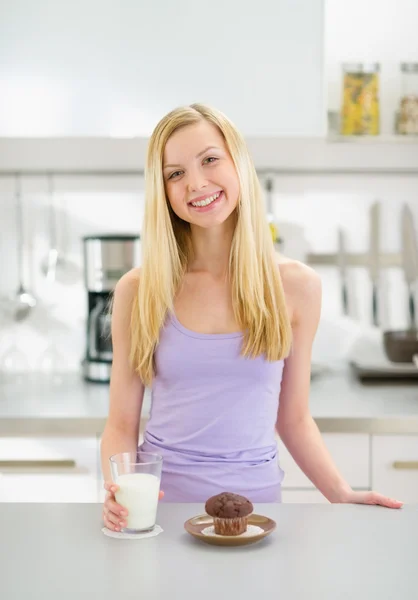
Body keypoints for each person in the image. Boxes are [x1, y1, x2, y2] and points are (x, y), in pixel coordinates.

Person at [101, 103, 403, 532]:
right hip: (160, 517)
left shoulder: (297, 286)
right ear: (162, 190)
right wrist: (119, 489)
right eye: (175, 173)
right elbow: (121, 423)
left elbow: (293, 418)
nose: (196, 183)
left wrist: (341, 492)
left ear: (237, 162)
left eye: (209, 160)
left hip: (257, 516)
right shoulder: (139, 289)